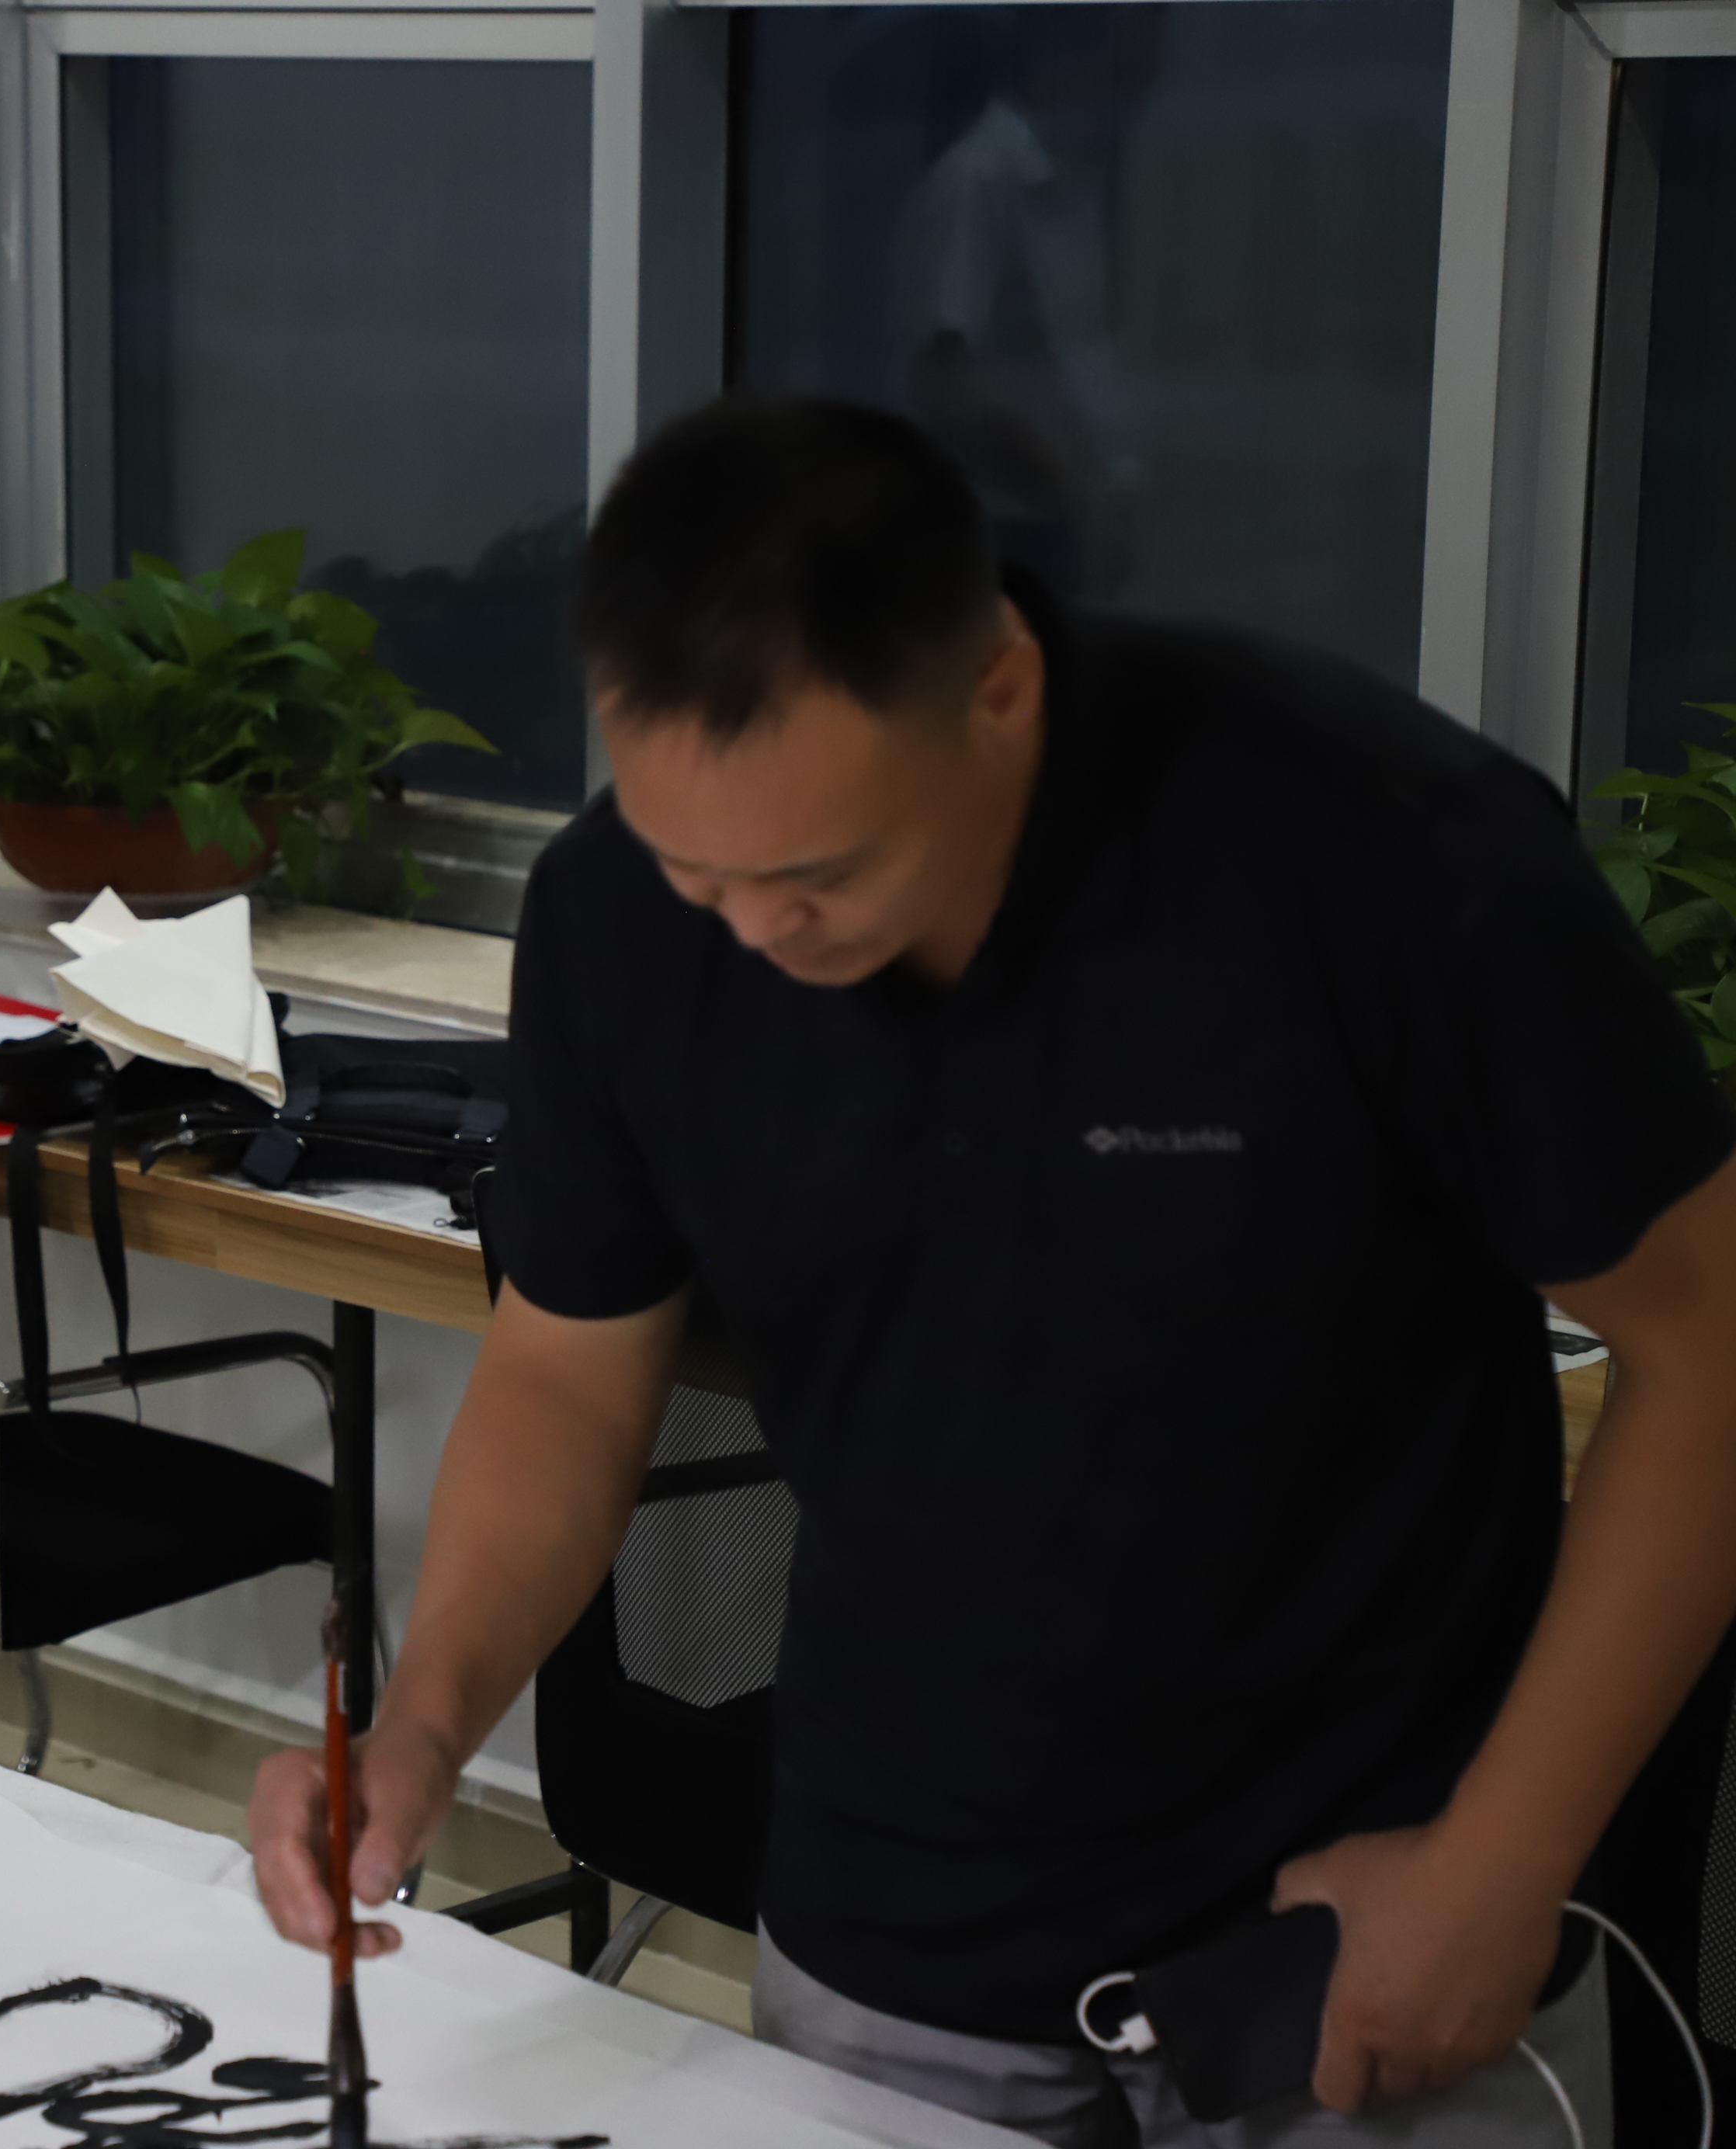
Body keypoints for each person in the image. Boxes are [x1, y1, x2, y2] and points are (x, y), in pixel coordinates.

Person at [250, 398, 1736, 2145]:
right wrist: (424, 1725)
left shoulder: (1379, 852)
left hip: (1355, 1926)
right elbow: (570, 1369)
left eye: (818, 873)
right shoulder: (617, 918)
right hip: (893, 1926)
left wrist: (1502, 1861)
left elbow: (1712, 1340)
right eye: (699, 873)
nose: (755, 936)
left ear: (1000, 689)